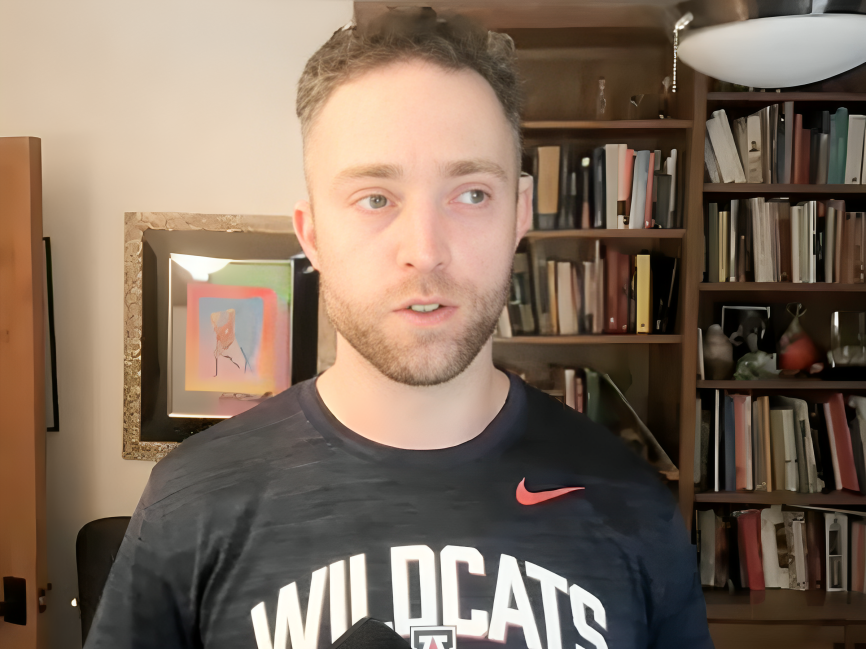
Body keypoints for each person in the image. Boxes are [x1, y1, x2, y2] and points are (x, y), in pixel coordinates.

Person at [86, 9, 713, 649]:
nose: (425, 251)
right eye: (375, 198)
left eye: (471, 194)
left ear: (519, 214)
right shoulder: (189, 502)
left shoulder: (632, 503)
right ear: (312, 234)